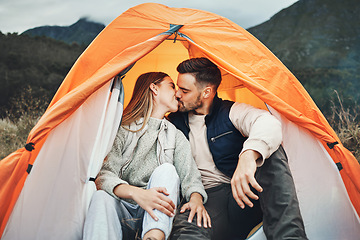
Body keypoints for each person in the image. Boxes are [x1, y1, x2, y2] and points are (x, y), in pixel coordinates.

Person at [168, 58, 308, 240]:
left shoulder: (231, 111)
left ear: (206, 92)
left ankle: (290, 237)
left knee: (271, 152)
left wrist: (249, 156)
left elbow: (268, 122)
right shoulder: (172, 123)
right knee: (188, 226)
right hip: (206, 201)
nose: (177, 94)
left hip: (242, 196)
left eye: (185, 90)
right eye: (177, 88)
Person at [83, 72, 210, 240]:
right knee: (100, 197)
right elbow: (105, 175)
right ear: (154, 88)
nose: (177, 93)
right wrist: (137, 194)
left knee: (167, 170)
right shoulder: (123, 128)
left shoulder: (176, 136)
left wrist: (196, 200)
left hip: (155, 217)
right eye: (172, 86)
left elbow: (191, 179)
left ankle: (153, 237)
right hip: (123, 209)